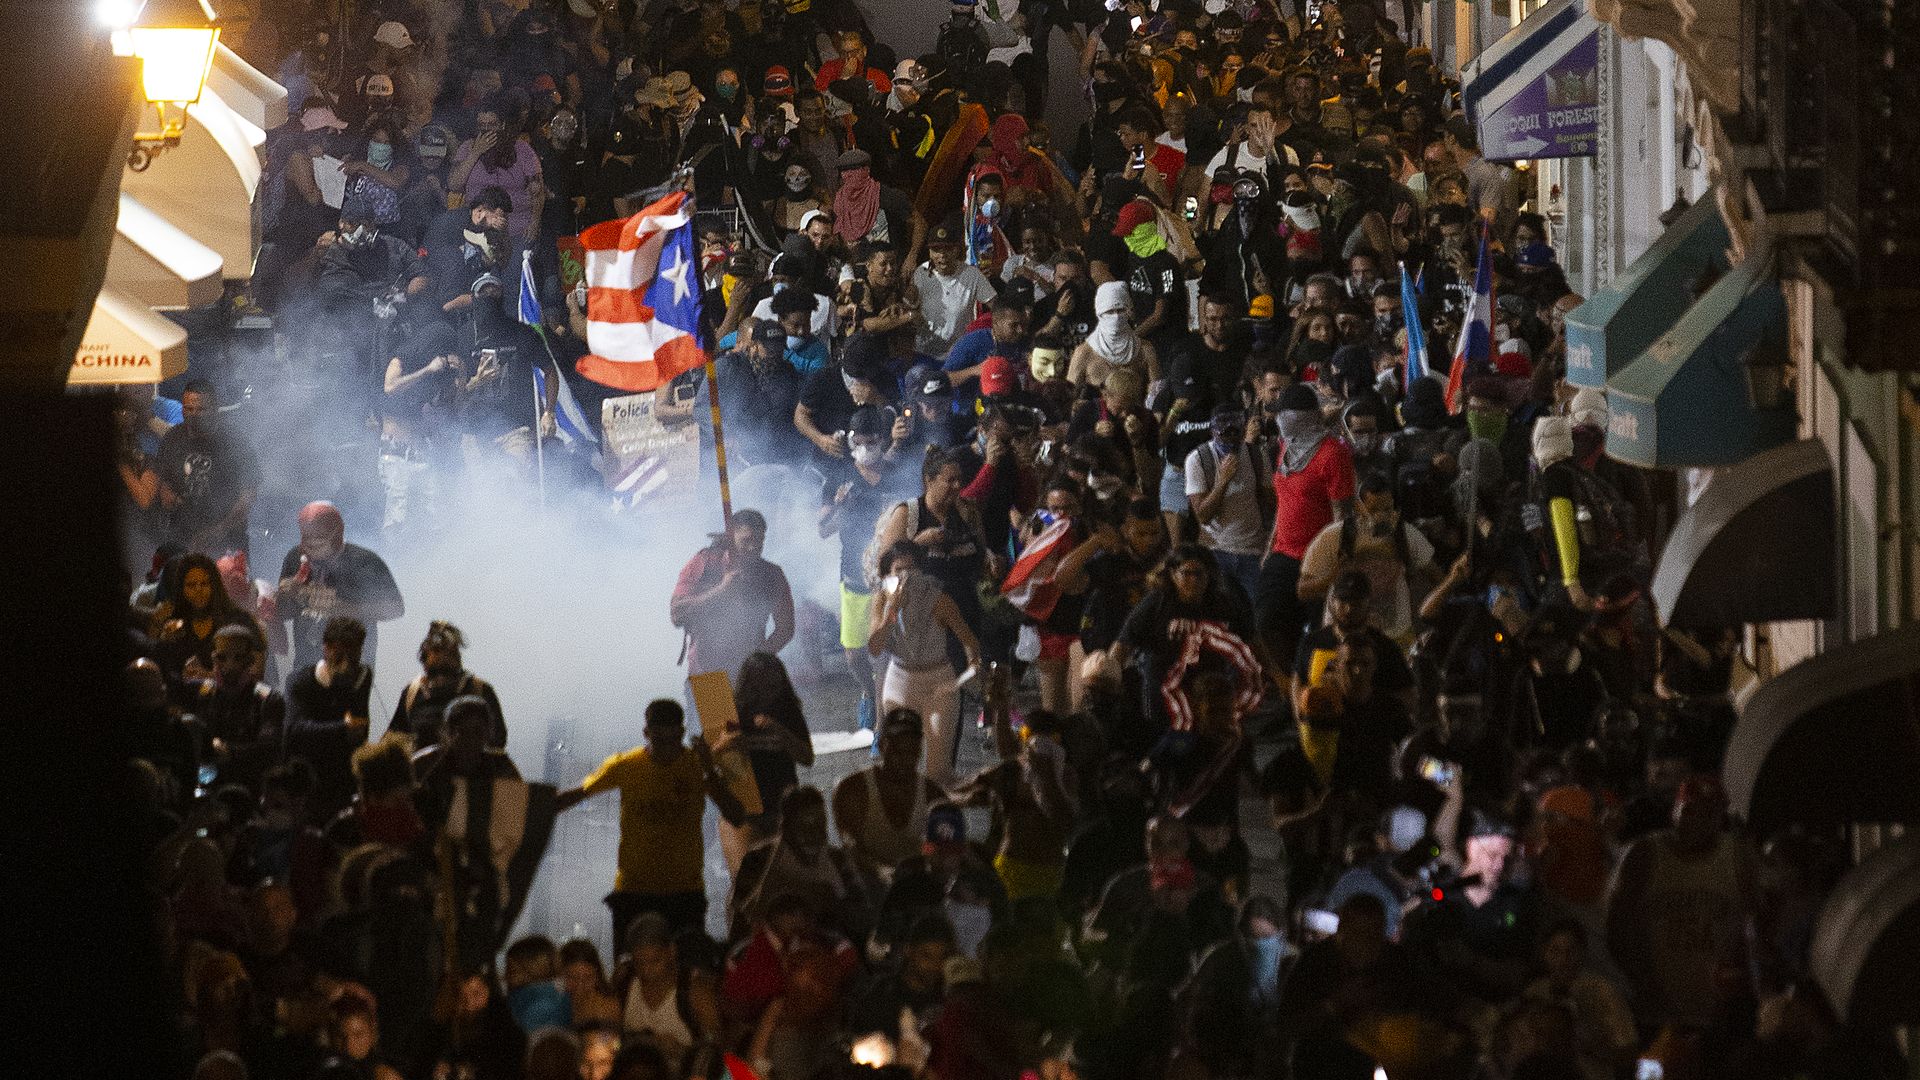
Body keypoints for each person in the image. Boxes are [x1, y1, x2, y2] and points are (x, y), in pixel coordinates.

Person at [557, 699, 748, 940]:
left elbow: (736, 815)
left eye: (673, 741)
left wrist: (710, 771)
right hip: (634, 891)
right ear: (647, 734)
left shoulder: (696, 766)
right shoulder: (626, 766)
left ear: (682, 733)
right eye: (661, 742)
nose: (668, 750)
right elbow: (576, 795)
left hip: (685, 893)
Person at [1605, 775, 1756, 1032]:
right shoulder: (1645, 856)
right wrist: (1642, 980)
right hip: (1656, 1015)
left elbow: (1755, 926)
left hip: (1718, 1016)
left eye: (1708, 814)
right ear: (1674, 811)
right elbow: (1616, 928)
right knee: (1651, 1072)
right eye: (1690, 811)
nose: (1698, 821)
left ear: (1720, 818)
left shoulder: (1738, 857)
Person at [1258, 382, 1356, 670]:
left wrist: (1337, 561)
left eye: (1283, 414)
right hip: (1283, 552)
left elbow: (1342, 514)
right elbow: (1282, 503)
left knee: (1320, 633)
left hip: (1318, 557)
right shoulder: (1286, 449)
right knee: (1266, 621)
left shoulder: (1332, 453)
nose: (1277, 420)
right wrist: (1269, 548)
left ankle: (1315, 687)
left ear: (1299, 417)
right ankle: (1290, 683)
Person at [867, 542, 982, 788]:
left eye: (912, 569)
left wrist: (973, 662)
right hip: (900, 679)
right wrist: (891, 613)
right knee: (898, 763)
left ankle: (937, 817)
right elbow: (875, 647)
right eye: (898, 570)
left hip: (938, 682)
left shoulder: (939, 599)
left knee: (938, 771)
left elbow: (967, 638)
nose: (906, 577)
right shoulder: (881, 600)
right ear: (887, 575)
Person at [669, 510, 796, 730]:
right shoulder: (704, 563)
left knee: (753, 750)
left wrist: (759, 658)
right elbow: (677, 614)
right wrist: (721, 591)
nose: (754, 547)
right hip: (709, 675)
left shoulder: (771, 574)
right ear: (731, 538)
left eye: (759, 540)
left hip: (750, 680)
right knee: (716, 749)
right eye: (747, 540)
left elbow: (785, 628)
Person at [273, 501, 404, 672]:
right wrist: (286, 595)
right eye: (306, 537)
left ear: (336, 534)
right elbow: (283, 613)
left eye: (319, 538)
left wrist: (343, 609)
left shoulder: (364, 562)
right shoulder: (295, 557)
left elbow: (395, 608)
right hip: (306, 660)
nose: (311, 545)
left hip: (354, 662)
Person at [720, 652, 815, 871]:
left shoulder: (787, 711)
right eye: (761, 689)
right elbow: (710, 759)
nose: (768, 696)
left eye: (773, 688)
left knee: (786, 873)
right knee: (749, 875)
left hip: (781, 806)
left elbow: (807, 758)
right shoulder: (733, 714)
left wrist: (781, 732)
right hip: (746, 809)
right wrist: (727, 744)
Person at [832, 709, 947, 881]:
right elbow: (850, 845)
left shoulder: (933, 794)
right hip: (868, 883)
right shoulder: (853, 789)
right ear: (881, 745)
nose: (905, 759)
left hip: (916, 883)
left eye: (912, 752)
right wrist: (881, 871)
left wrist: (926, 855)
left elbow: (939, 846)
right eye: (897, 751)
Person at [282, 615, 375, 820]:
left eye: (352, 657)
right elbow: (293, 732)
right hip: (306, 781)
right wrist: (342, 728)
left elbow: (360, 732)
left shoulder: (362, 677)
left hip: (342, 782)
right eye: (339, 656)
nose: (345, 666)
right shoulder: (300, 681)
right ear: (326, 648)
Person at [155, 381, 260, 557]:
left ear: (214, 409)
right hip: (182, 539)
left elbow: (248, 495)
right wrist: (167, 494)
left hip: (227, 541)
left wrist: (219, 530)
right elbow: (163, 480)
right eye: (189, 409)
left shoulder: (235, 441)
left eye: (200, 409)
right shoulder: (173, 438)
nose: (194, 415)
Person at [1185, 404, 1271, 604]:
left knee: (1254, 610)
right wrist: (1222, 481)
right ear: (1213, 432)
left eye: (1236, 434)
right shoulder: (1198, 459)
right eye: (1225, 434)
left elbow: (1270, 501)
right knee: (1217, 610)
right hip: (1216, 552)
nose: (1231, 440)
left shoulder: (1257, 455)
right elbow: (1203, 515)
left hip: (1252, 550)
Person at [388, 621, 506, 750]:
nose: (443, 657)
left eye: (449, 652)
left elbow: (497, 739)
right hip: (423, 769)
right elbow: (395, 738)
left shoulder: (479, 690)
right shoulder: (412, 692)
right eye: (437, 650)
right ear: (426, 653)